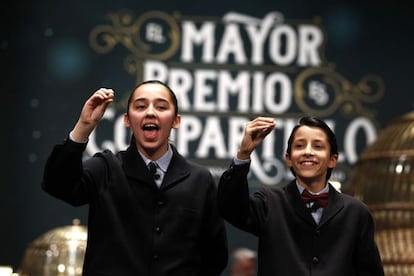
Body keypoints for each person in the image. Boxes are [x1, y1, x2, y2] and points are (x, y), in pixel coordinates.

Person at [41, 80, 228, 276]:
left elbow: (215, 256)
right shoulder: (106, 167)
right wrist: (84, 126)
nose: (150, 112)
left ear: (176, 121)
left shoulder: (199, 179)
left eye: (161, 106)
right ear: (127, 119)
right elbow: (57, 184)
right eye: (140, 106)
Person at [217, 116, 384, 276]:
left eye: (318, 146)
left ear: (333, 160)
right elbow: (230, 207)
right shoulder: (270, 203)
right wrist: (243, 154)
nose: (308, 152)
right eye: (299, 146)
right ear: (288, 158)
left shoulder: (356, 212)